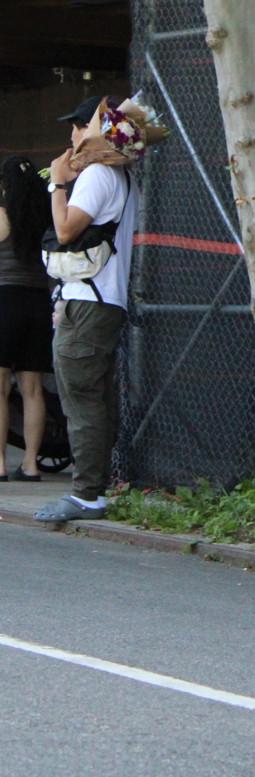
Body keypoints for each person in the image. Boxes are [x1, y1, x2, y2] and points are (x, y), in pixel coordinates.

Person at [34, 94, 164, 524]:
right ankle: (96, 487)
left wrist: (57, 184)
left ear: (93, 133)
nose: (72, 135)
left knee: (82, 400)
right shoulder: (124, 179)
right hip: (108, 301)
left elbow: (65, 231)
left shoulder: (96, 176)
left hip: (86, 304)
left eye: (76, 126)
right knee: (97, 397)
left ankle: (86, 495)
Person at [0, 157, 53, 480]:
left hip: (4, 300)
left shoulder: (1, 215)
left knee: (1, 388)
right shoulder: (44, 218)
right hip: (38, 303)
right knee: (32, 389)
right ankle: (31, 464)